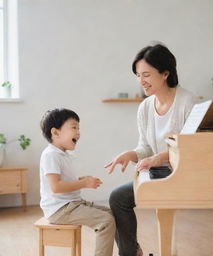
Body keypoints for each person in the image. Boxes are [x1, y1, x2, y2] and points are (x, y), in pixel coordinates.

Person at [104, 43, 198, 256]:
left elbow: (191, 148)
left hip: (182, 175)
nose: (141, 81)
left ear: (165, 73)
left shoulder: (187, 101)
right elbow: (145, 147)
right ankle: (131, 253)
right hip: (158, 173)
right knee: (117, 198)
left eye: (146, 74)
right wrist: (130, 155)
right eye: (138, 75)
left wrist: (158, 159)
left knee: (119, 199)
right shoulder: (145, 107)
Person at [40, 108, 115, 256]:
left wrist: (82, 180)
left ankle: (129, 251)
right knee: (106, 221)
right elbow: (56, 187)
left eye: (78, 128)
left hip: (72, 205)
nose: (78, 132)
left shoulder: (64, 154)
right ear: (55, 133)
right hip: (59, 210)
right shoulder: (51, 155)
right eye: (74, 127)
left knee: (112, 214)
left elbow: (64, 181)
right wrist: (84, 183)